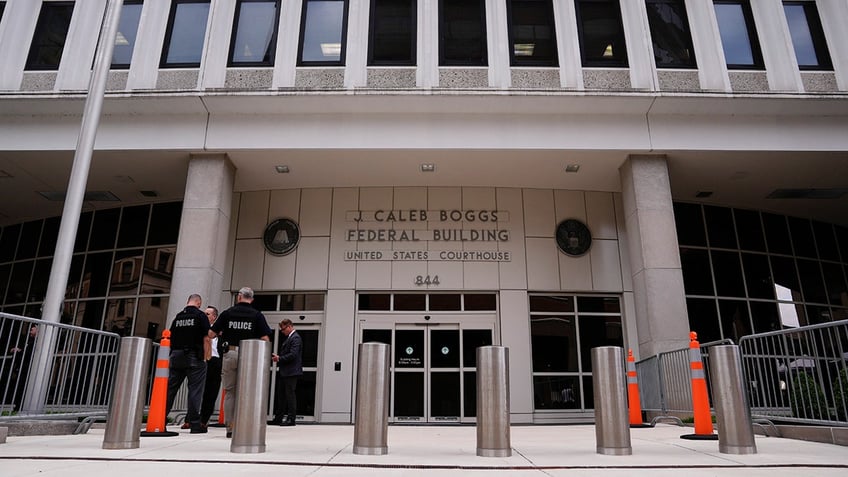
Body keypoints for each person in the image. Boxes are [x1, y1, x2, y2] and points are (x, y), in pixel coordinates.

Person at [209, 287, 272, 438]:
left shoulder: (227, 313)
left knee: (230, 392)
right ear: (252, 299)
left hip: (230, 353)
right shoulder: (257, 315)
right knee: (248, 392)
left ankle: (230, 427)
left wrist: (223, 332)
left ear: (239, 297)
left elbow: (211, 334)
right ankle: (246, 425)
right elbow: (265, 338)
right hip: (250, 355)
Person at [164, 294, 210, 434]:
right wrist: (206, 356)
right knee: (195, 390)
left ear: (187, 301)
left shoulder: (178, 317)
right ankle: (194, 423)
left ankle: (160, 418)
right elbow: (206, 337)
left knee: (170, 390)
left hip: (176, 356)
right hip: (194, 356)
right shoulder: (200, 316)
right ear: (199, 303)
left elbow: (170, 336)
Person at [269, 318, 303, 426]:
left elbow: (293, 355)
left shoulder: (295, 338)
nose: (282, 332)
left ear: (289, 326)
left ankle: (291, 418)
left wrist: (279, 358)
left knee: (289, 395)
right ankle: (278, 418)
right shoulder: (291, 338)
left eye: (283, 329)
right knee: (281, 395)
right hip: (286, 372)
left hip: (291, 372)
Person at [199, 305, 223, 428]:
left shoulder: (220, 331)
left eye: (208, 314)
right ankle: (190, 418)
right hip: (202, 361)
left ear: (214, 317)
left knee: (211, 392)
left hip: (215, 362)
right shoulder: (201, 329)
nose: (205, 316)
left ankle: (204, 420)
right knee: (197, 390)